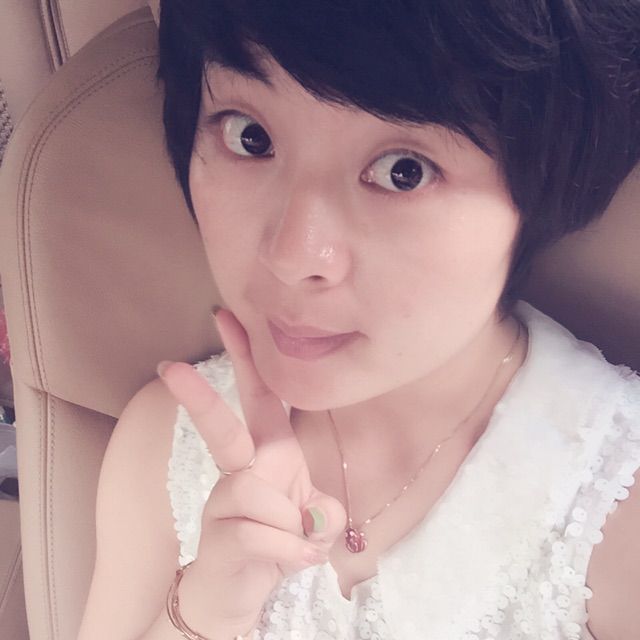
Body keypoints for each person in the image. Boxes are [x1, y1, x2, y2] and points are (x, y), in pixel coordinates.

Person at [78, 1, 640, 639]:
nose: (293, 257)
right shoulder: (167, 443)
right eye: (249, 137)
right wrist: (205, 613)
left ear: (546, 185)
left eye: (404, 172)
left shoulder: (618, 503)